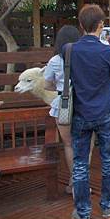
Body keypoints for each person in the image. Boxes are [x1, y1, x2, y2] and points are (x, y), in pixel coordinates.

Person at [69, 4, 110, 219]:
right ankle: (107, 204)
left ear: (81, 25)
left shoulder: (70, 50)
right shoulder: (108, 51)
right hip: (104, 113)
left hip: (80, 113)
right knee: (109, 160)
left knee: (80, 163)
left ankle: (83, 212)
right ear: (101, 25)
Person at [43, 25, 81, 194]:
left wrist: (61, 87)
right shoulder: (84, 58)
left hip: (63, 105)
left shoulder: (55, 61)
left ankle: (74, 182)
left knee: (69, 144)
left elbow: (47, 85)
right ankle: (83, 181)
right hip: (83, 104)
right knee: (85, 144)